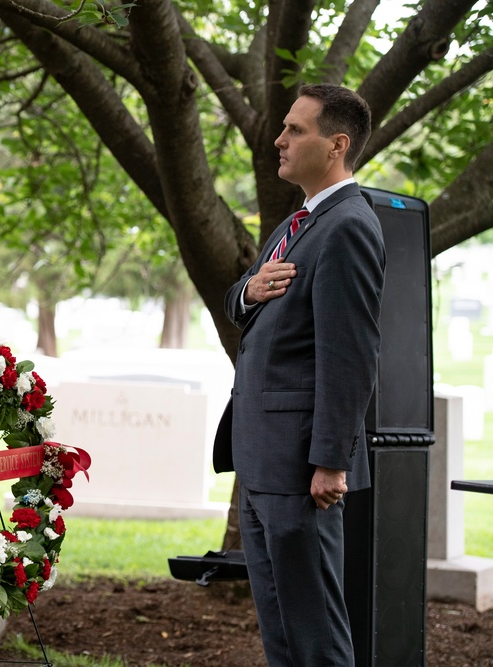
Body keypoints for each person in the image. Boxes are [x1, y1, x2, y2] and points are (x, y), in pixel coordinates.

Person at [220, 84, 386, 666]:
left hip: (301, 471)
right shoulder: (301, 222)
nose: (278, 139)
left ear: (336, 145)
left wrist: (331, 461)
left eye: (295, 130)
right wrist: (247, 291)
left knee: (314, 638)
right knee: (283, 636)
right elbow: (248, 297)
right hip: (263, 459)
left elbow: (351, 354)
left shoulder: (348, 227)